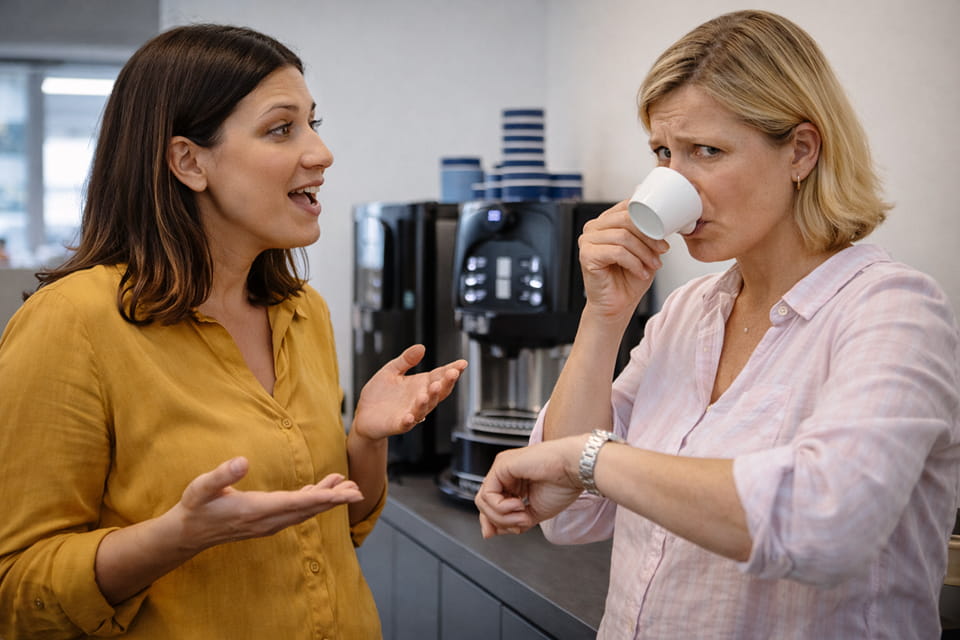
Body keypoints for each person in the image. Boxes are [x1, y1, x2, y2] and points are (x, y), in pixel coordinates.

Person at [475, 10, 959, 639]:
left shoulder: (893, 310)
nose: (677, 183)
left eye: (708, 151)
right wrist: (603, 317)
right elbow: (568, 516)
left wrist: (591, 459)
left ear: (802, 151)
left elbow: (824, 524)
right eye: (663, 153)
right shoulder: (687, 312)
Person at [0, 24, 466, 640]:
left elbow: (341, 528)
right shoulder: (72, 324)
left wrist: (366, 440)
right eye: (281, 128)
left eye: (312, 124)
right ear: (189, 161)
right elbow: (17, 588)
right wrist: (178, 536)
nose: (320, 154)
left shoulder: (304, 313)